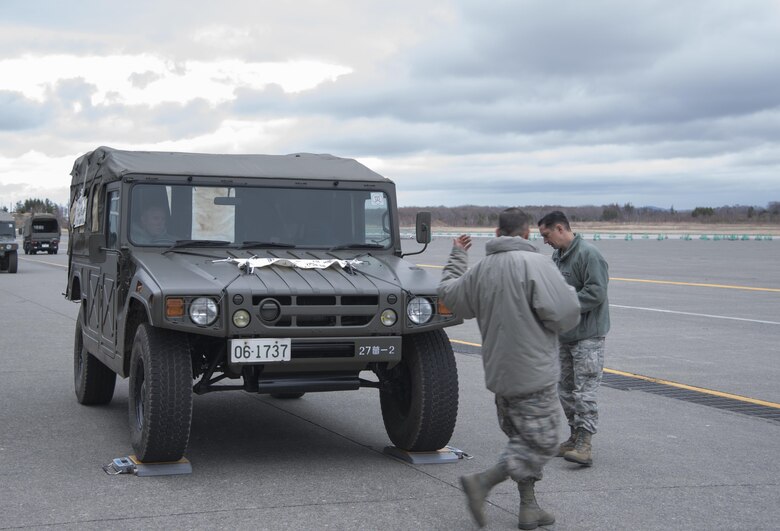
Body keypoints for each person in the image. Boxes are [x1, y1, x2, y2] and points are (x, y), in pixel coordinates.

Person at [439, 208, 580, 530]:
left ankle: (528, 507)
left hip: (500, 377)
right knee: (541, 442)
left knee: (519, 440)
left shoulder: (481, 269)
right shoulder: (538, 264)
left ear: (498, 232)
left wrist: (458, 257)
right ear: (528, 233)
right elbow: (565, 314)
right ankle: (482, 483)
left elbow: (448, 296)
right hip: (534, 376)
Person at [537, 210, 610, 467]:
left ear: (560, 229)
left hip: (587, 336)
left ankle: (585, 445)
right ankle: (574, 436)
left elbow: (596, 292)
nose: (545, 241)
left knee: (585, 391)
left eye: (546, 235)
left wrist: (564, 305)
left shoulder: (588, 255)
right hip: (564, 336)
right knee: (565, 390)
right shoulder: (557, 257)